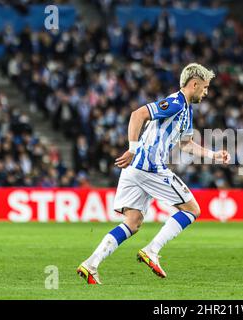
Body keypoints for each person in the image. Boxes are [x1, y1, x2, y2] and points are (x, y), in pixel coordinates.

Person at [77, 63, 231, 284]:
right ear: (194, 84)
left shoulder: (187, 111)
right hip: (149, 166)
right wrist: (132, 148)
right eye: (205, 88)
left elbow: (186, 145)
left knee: (133, 221)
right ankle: (152, 250)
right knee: (192, 209)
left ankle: (91, 264)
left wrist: (214, 155)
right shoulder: (176, 102)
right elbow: (138, 114)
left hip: (135, 170)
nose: (206, 93)